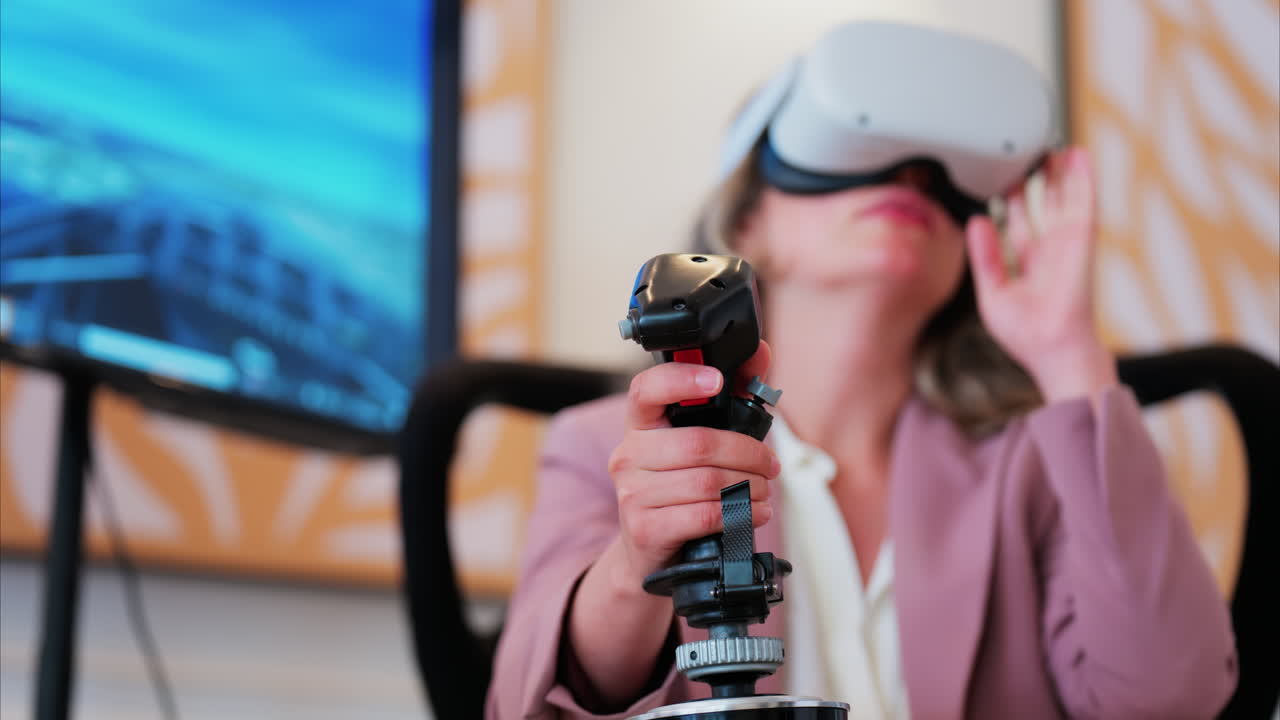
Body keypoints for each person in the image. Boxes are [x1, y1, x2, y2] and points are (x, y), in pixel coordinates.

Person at [487, 20, 1237, 720]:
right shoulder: (608, 447)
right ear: (750, 221)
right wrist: (632, 564)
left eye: (937, 176)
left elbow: (1170, 698)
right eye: (859, 155)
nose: (909, 176)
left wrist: (1069, 355)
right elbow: (524, 705)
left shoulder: (1035, 466)